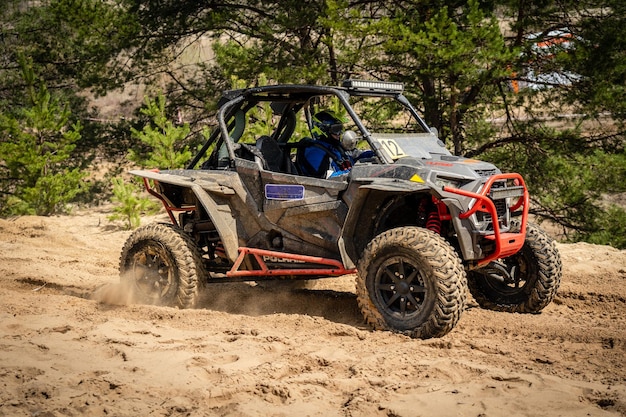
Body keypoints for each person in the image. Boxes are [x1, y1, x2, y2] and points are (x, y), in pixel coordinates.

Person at [297, 110, 354, 178]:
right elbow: (322, 179)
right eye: (335, 129)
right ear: (322, 130)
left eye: (340, 128)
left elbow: (353, 155)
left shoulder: (334, 147)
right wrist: (351, 173)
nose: (339, 133)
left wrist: (369, 154)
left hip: (345, 184)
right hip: (328, 187)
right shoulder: (314, 152)